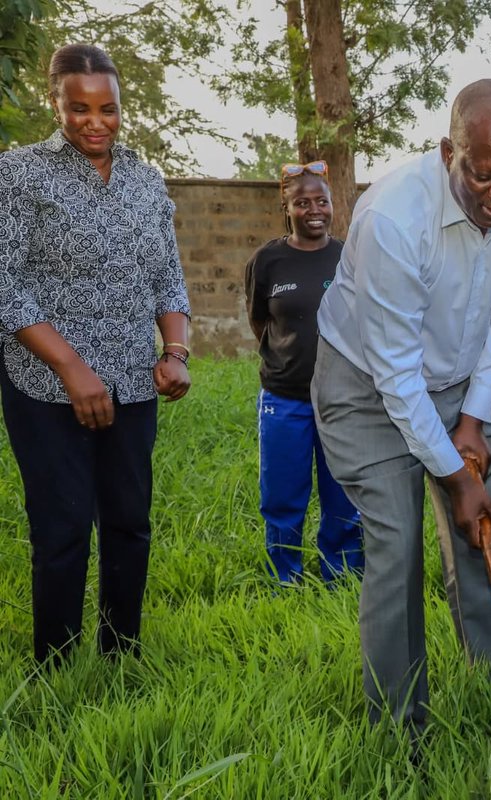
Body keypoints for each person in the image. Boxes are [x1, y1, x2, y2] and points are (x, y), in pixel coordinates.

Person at [310, 79, 491, 731]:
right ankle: (400, 730)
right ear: (449, 151)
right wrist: (453, 475)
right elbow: (396, 374)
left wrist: (473, 420)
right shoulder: (394, 218)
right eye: (483, 176)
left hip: (463, 378)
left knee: (483, 535)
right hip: (367, 387)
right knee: (396, 545)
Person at [0, 44, 191, 663]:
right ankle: (55, 665)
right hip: (46, 387)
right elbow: (6, 283)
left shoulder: (145, 179)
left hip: (134, 385)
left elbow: (167, 276)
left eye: (106, 109)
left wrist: (177, 350)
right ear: (53, 102)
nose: (94, 122)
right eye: (77, 108)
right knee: (61, 530)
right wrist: (73, 367)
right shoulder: (19, 174)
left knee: (130, 523)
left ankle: (120, 653)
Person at [244, 162, 363, 585]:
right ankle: (286, 578)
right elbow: (261, 321)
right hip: (284, 400)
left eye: (322, 201)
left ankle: (342, 576)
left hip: (341, 399)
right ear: (287, 208)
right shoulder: (267, 261)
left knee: (344, 495)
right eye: (302, 202)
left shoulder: (349, 257)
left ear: (333, 205)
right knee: (282, 498)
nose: (314, 209)